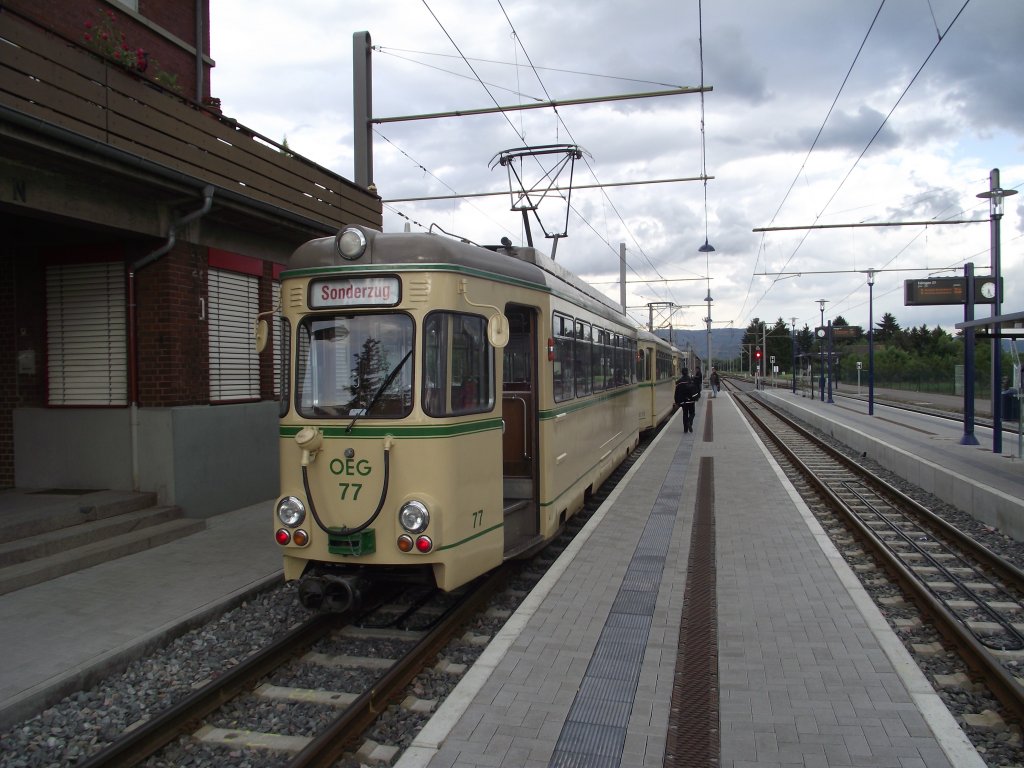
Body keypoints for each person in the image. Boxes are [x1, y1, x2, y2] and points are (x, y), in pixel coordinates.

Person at [674, 368, 701, 433]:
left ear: (682, 373)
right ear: (687, 372)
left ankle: (685, 429)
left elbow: (676, 393)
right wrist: (697, 397)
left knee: (685, 414)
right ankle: (689, 422)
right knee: (692, 413)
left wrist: (677, 402)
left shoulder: (679, 382)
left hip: (683, 401)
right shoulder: (691, 380)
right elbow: (696, 389)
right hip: (691, 401)